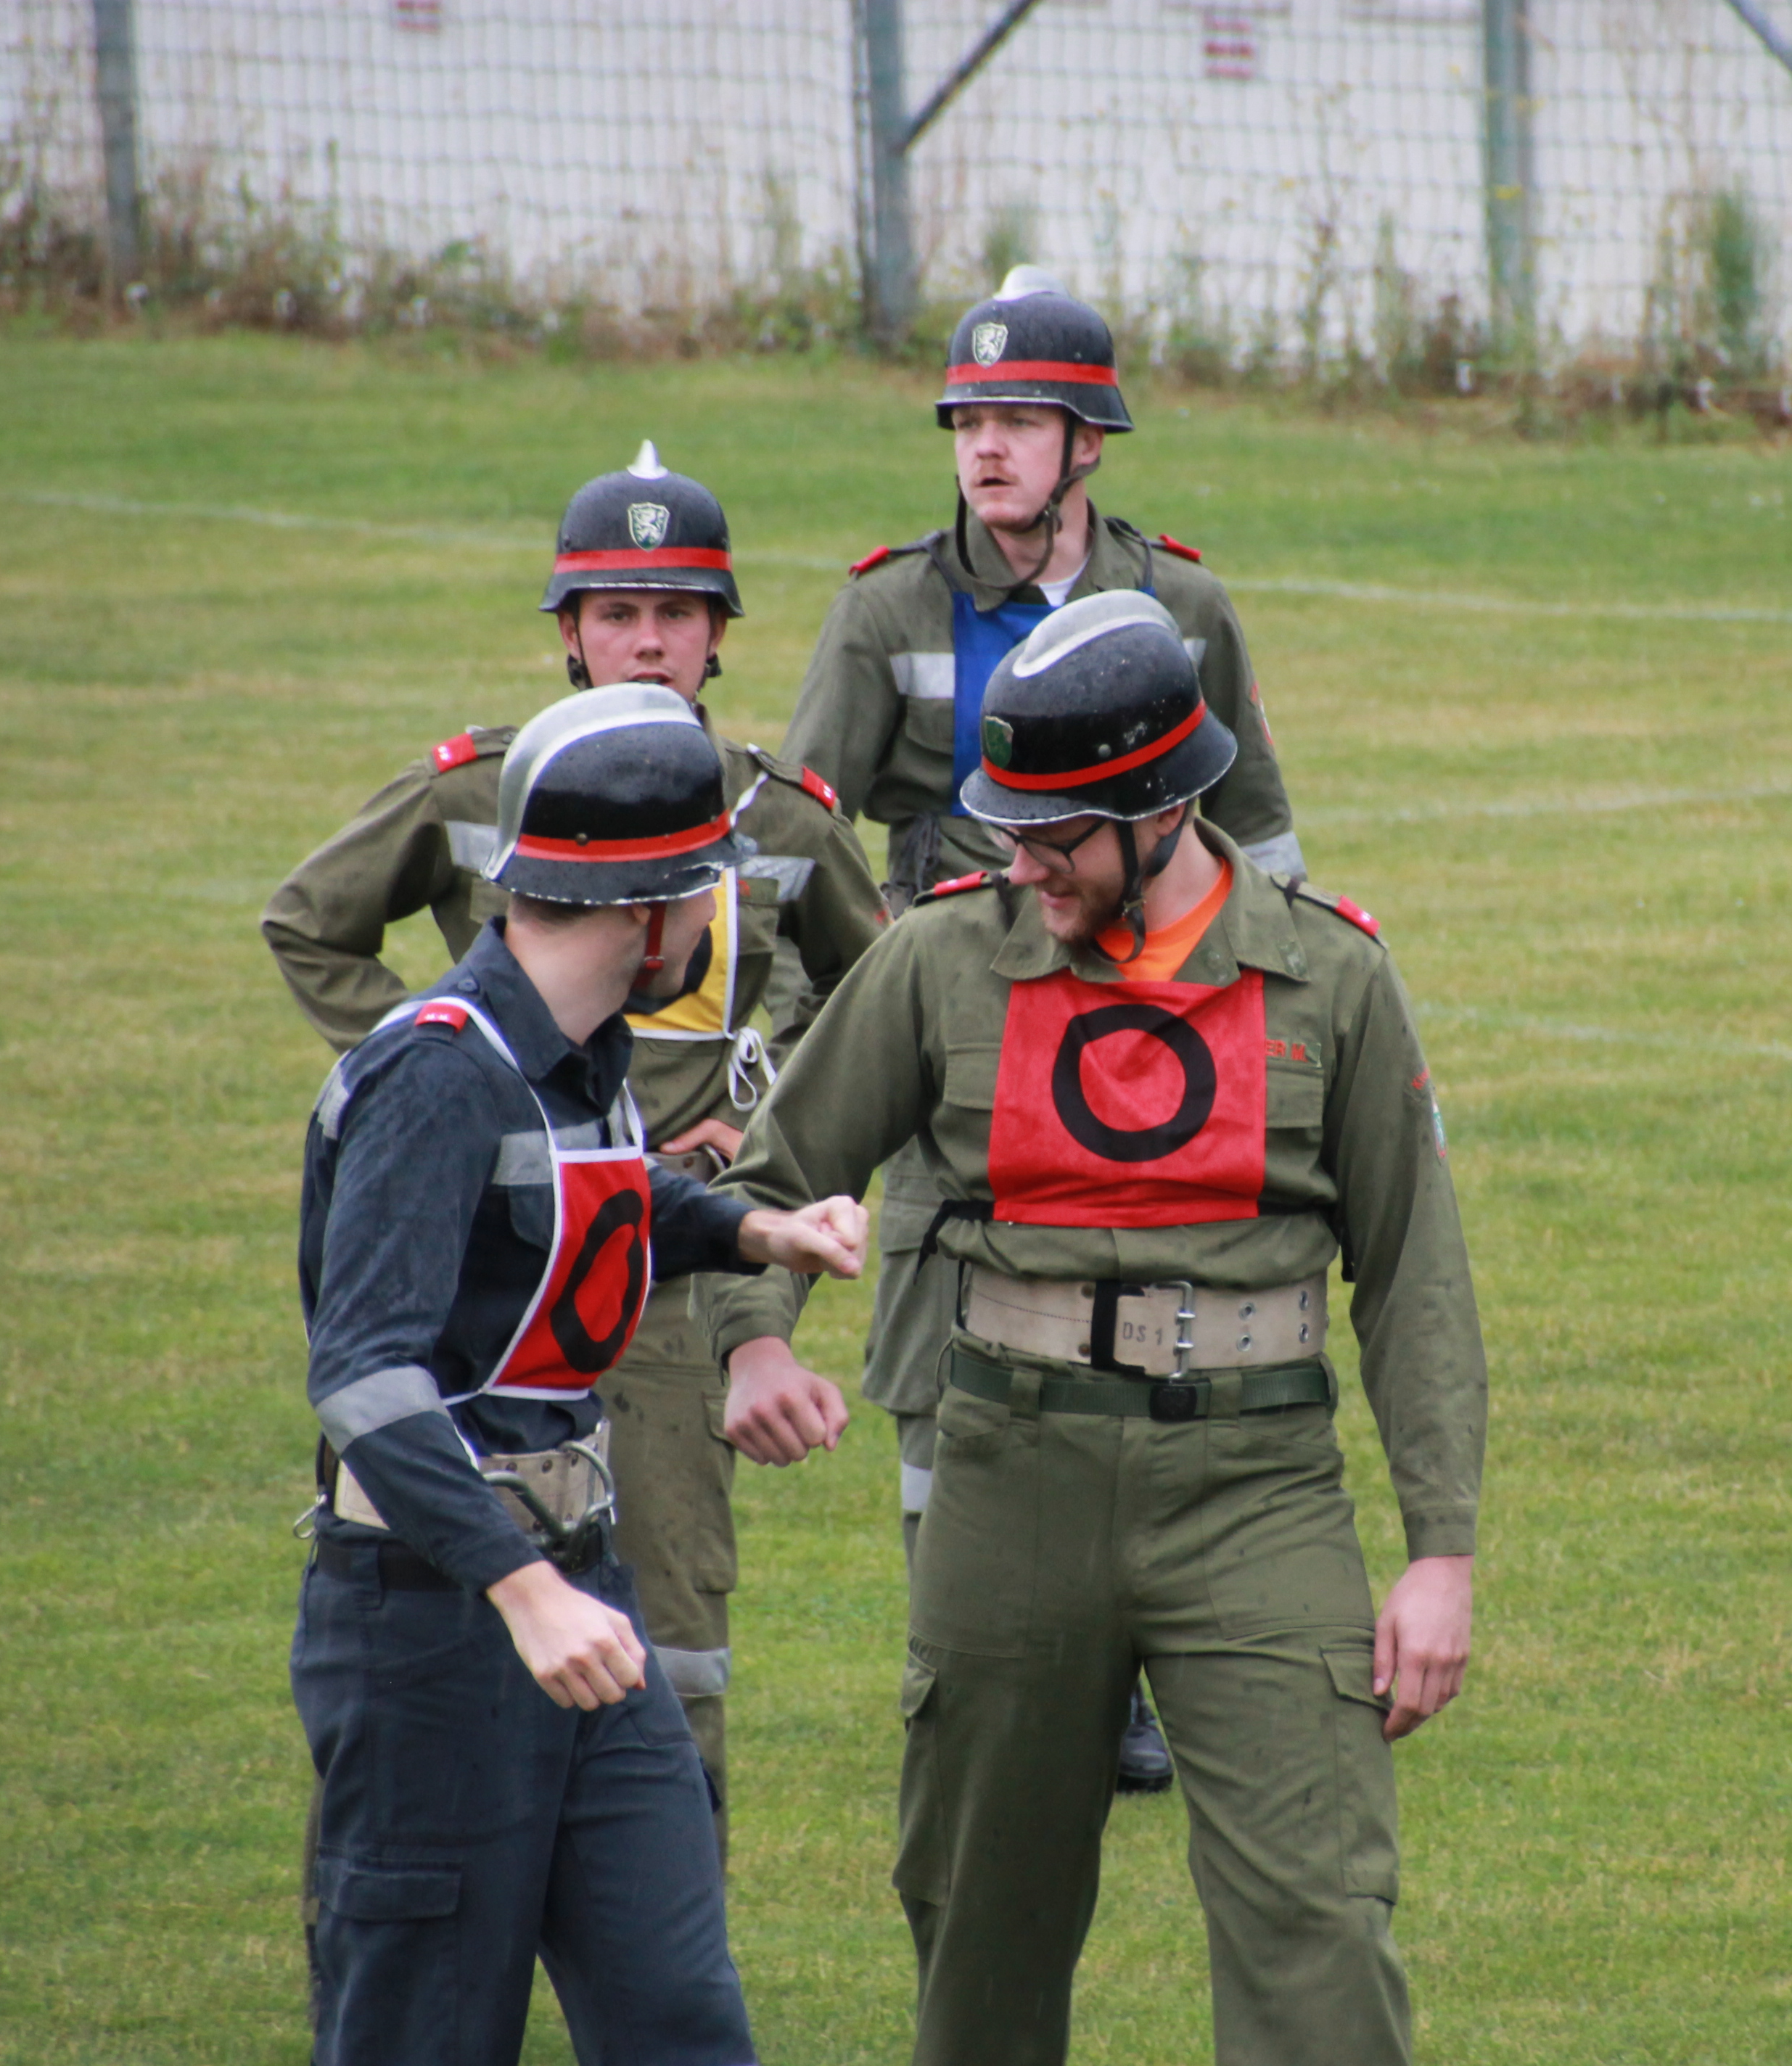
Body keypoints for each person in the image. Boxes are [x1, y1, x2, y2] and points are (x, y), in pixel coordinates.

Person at [706, 591, 1483, 2066]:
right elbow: (774, 1173)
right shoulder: (942, 957)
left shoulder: (1332, 975)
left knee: (1321, 1923)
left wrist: (1440, 1551)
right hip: (1009, 1477)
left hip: (1258, 1489)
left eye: (1056, 833)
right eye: (1008, 829)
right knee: (978, 1930)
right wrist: (756, 1338)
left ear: (1162, 807)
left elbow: (1414, 1276)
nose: (1023, 862)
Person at [264, 444, 883, 1825]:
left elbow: (877, 1003)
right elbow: (307, 923)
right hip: (492, 1245)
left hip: (671, 1254)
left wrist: (768, 1117)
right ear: (568, 632)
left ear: (720, 634)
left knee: (669, 1617)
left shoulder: (778, 813)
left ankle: (659, 1871)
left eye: (677, 612)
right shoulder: (476, 792)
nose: (647, 639)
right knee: (444, 1569)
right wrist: (445, 1065)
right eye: (615, 612)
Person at [781, 267, 1308, 1789]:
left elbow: (1262, 838)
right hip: (958, 1022)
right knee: (934, 1339)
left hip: (1159, 1036)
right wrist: (838, 1004)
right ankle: (963, 1668)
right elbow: (800, 837)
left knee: (1144, 1324)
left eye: (1021, 419)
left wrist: (1288, 1028)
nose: (987, 447)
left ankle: (1123, 1672)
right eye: (969, 421)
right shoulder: (885, 607)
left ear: (1090, 444)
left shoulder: (1184, 606)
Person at [292, 685, 867, 2066]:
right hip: (439, 1625)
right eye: (705, 895)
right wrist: (523, 1587)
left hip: (586, 1597)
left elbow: (597, 1193)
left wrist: (752, 1227)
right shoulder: (439, 1076)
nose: (716, 923)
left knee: (681, 2016)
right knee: (427, 2030)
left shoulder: (580, 1049)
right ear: (645, 911)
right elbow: (364, 1378)